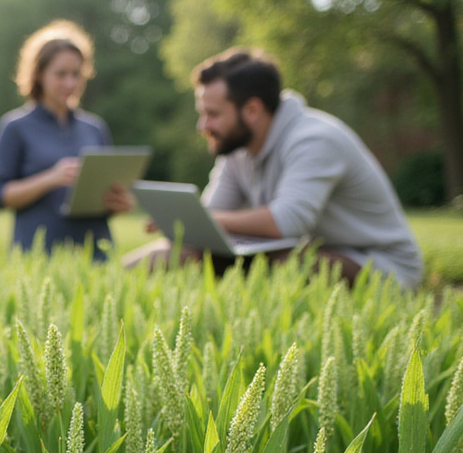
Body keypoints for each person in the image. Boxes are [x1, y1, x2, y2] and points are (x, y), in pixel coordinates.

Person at [123, 48, 423, 289]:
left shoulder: (315, 139)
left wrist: (206, 219)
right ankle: (115, 278)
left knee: (280, 264)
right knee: (185, 254)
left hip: (379, 263)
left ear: (252, 110)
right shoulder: (236, 149)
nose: (203, 126)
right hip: (299, 251)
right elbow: (211, 223)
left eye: (212, 114)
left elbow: (287, 221)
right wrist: (183, 225)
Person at [0, 20, 134, 261]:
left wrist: (120, 203)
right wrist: (50, 178)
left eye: (76, 74)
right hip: (38, 254)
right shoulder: (15, 127)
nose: (70, 83)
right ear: (39, 74)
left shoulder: (95, 128)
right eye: (61, 74)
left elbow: (106, 194)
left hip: (95, 253)